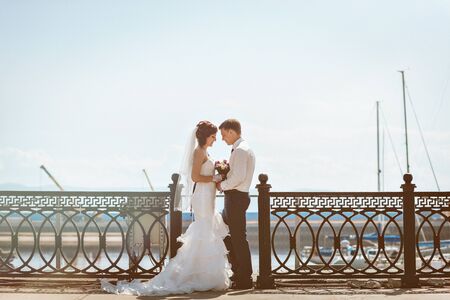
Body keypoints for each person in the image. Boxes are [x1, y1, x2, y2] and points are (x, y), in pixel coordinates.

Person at [101, 120, 231, 296]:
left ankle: (203, 273)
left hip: (209, 196)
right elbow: (195, 176)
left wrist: (217, 180)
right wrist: (215, 178)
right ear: (205, 136)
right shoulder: (198, 152)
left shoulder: (206, 152)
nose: (215, 139)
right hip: (201, 196)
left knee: (208, 231)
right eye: (213, 136)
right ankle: (197, 275)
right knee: (203, 230)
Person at [217, 119, 255, 289]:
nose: (223, 139)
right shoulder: (242, 149)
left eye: (224, 135)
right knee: (228, 233)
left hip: (236, 197)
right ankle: (238, 271)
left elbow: (238, 177)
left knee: (238, 238)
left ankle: (244, 277)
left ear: (232, 131)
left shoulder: (240, 150)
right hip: (236, 197)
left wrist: (222, 185)